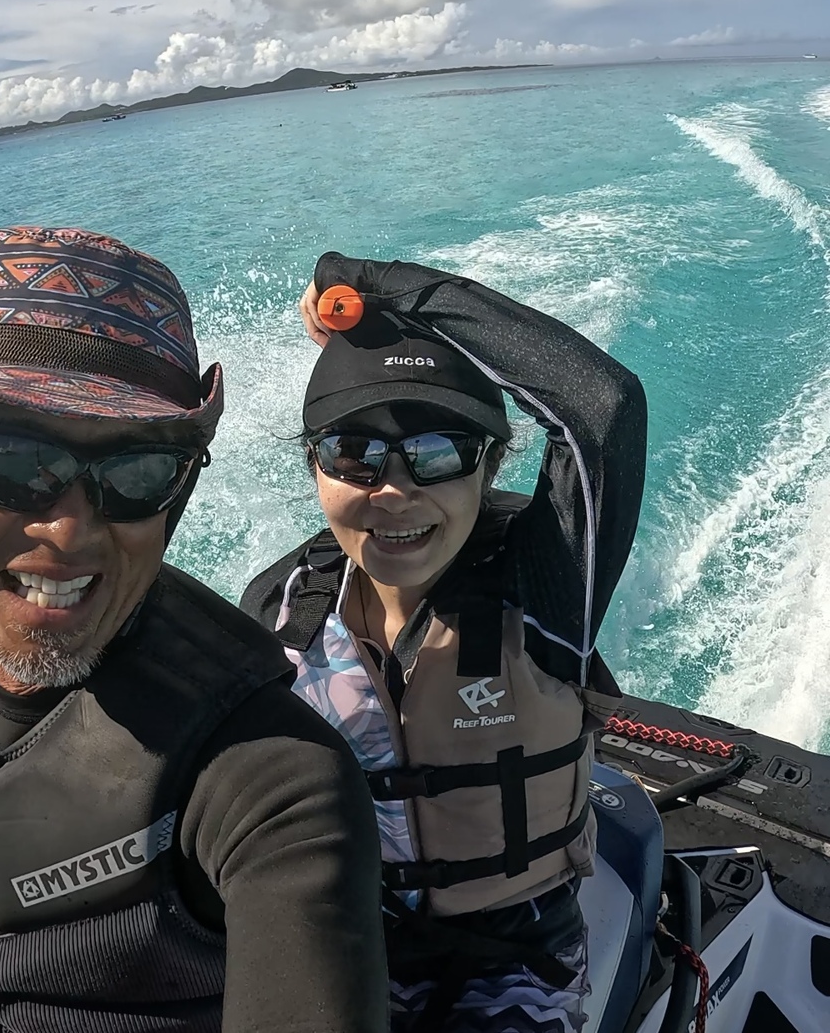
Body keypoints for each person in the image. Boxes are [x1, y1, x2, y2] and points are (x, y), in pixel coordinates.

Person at [0, 226, 388, 1033]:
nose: (69, 528)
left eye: (137, 471)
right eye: (9, 458)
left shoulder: (269, 784)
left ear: (175, 499)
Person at [241, 252, 647, 1032]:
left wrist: (383, 283)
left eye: (440, 453)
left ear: (490, 464)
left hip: (518, 964)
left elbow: (604, 406)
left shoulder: (544, 589)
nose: (396, 490)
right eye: (354, 454)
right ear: (314, 466)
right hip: (353, 951)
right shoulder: (283, 610)